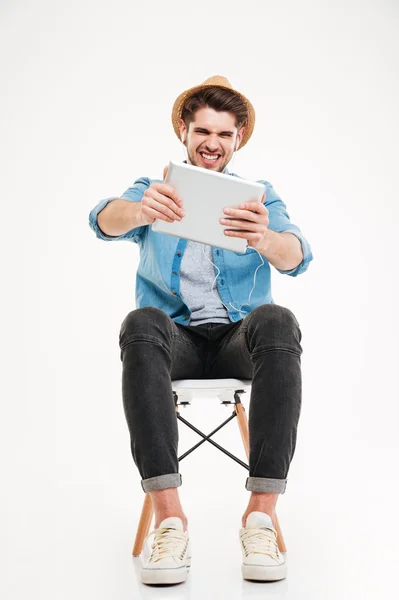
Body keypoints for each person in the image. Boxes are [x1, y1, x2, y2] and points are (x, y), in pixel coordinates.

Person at [88, 75, 313, 585]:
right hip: (176, 342)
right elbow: (101, 220)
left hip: (239, 340)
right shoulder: (154, 191)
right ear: (184, 133)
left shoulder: (261, 198)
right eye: (203, 130)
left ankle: (260, 517)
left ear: (237, 141)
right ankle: (169, 520)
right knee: (141, 322)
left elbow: (298, 257)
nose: (213, 142)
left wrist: (264, 238)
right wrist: (140, 211)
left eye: (225, 134)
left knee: (278, 318)